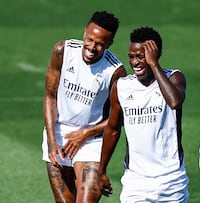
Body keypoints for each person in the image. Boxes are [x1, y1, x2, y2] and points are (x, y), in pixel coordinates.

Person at [41, 11, 126, 203]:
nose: (92, 47)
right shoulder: (63, 51)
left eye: (100, 44)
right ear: (84, 33)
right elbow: (50, 95)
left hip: (92, 141)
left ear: (109, 44)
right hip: (59, 135)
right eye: (89, 39)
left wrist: (85, 134)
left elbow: (118, 118)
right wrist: (52, 140)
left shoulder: (115, 72)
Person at [98, 26, 189, 202]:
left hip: (172, 180)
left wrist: (154, 64)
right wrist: (101, 170)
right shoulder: (122, 87)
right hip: (136, 182)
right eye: (131, 57)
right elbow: (113, 129)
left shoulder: (174, 78)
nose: (135, 62)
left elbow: (175, 102)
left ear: (155, 56)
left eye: (141, 57)